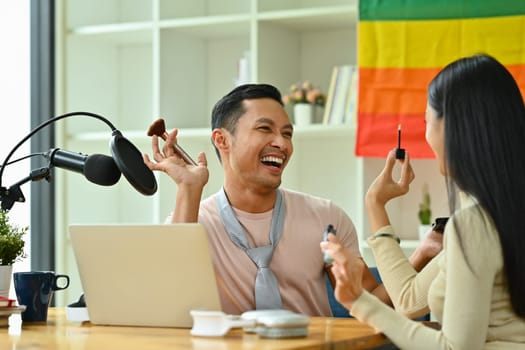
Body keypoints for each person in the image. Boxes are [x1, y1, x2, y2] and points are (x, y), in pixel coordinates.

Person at [143, 83, 435, 316]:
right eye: (264, 129)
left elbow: (374, 304)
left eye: (287, 133)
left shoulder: (326, 217)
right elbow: (170, 303)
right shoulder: (192, 220)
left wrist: (421, 255)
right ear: (222, 140)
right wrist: (188, 188)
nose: (281, 143)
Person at [321, 54, 525, 348]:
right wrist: (376, 205)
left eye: (427, 121)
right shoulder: (497, 216)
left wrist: (357, 301)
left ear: (454, 128)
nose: (426, 135)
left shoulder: (473, 225)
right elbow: (409, 298)